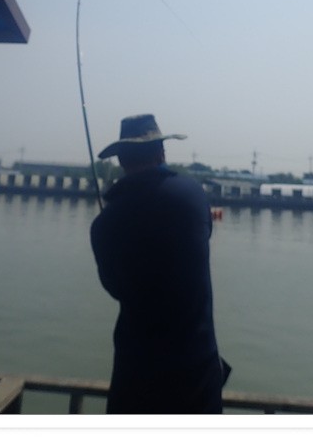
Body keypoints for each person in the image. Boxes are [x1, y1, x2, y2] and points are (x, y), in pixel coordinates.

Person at [90, 114, 228, 414]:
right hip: (198, 375)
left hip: (137, 378)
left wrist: (113, 215)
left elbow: (115, 288)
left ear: (121, 160)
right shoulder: (193, 195)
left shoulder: (104, 224)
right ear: (161, 153)